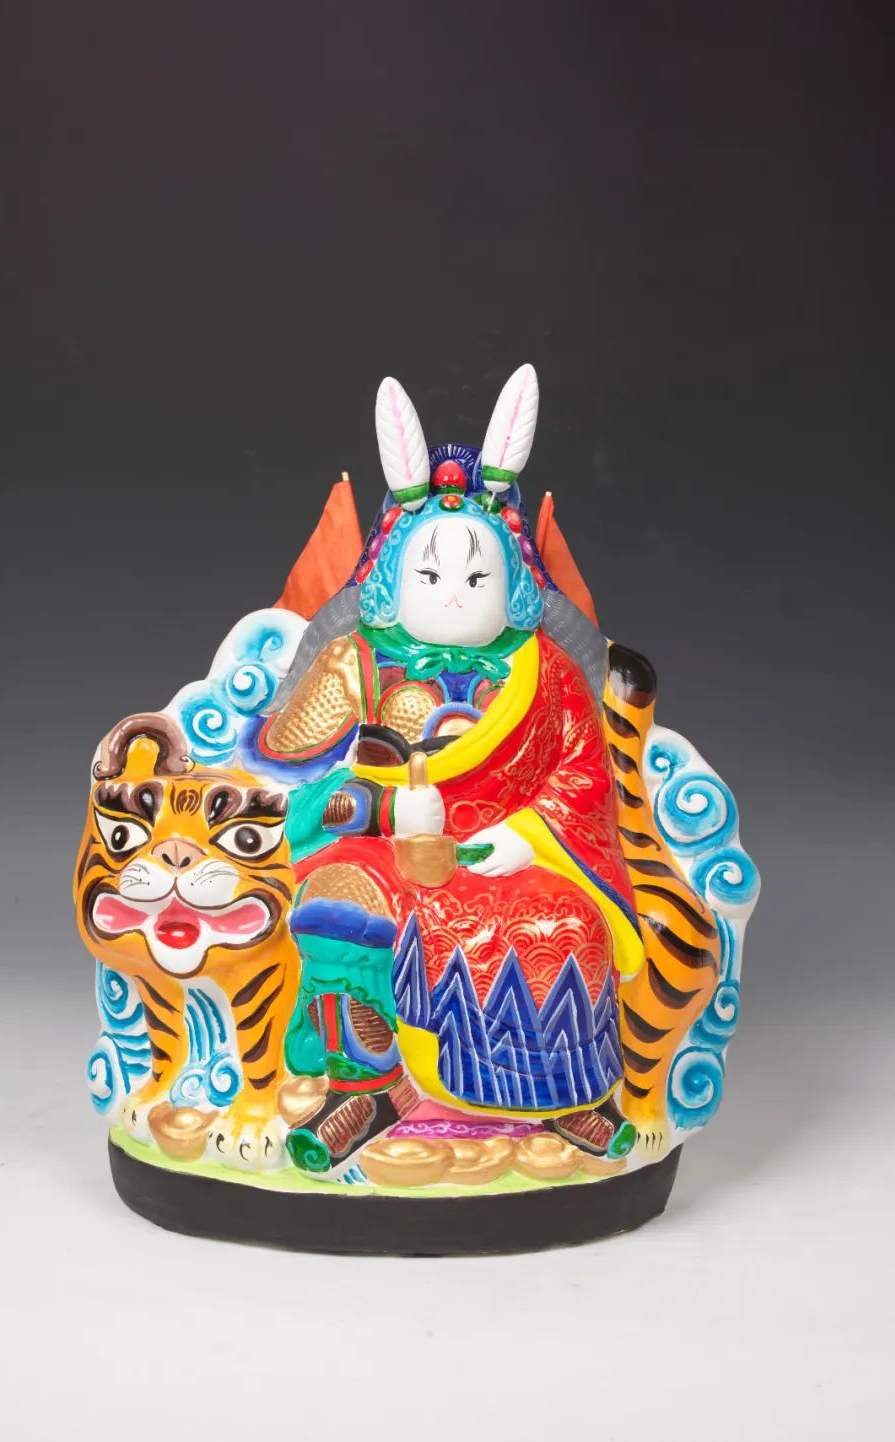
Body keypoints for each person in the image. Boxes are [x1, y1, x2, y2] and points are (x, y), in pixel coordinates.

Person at [254, 367, 645, 1174]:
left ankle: (560, 1096)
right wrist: (380, 810)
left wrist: (530, 834)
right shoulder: (356, 661)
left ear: (517, 585)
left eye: (478, 578)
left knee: (565, 921)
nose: (457, 595)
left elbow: (583, 775)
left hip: (514, 848)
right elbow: (288, 773)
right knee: (338, 904)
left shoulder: (546, 671)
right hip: (388, 850)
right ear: (392, 578)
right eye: (431, 577)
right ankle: (366, 1086)